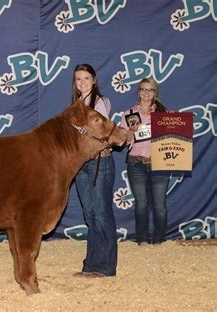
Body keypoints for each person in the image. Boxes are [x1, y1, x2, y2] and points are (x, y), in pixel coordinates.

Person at [71, 64, 117, 278]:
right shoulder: (76, 105)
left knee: (101, 214)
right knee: (90, 215)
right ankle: (90, 264)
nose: (82, 82)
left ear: (94, 80)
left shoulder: (101, 102)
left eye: (86, 78)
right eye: (78, 79)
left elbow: (98, 133)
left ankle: (106, 267)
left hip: (100, 162)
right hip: (82, 164)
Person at [121, 77, 169, 246]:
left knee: (159, 205)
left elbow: (172, 138)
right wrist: (131, 132)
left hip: (160, 163)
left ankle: (159, 240)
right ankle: (142, 239)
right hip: (136, 163)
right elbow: (123, 142)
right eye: (143, 89)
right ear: (138, 92)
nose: (146, 93)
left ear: (155, 93)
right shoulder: (130, 114)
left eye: (150, 90)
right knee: (141, 204)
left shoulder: (164, 114)